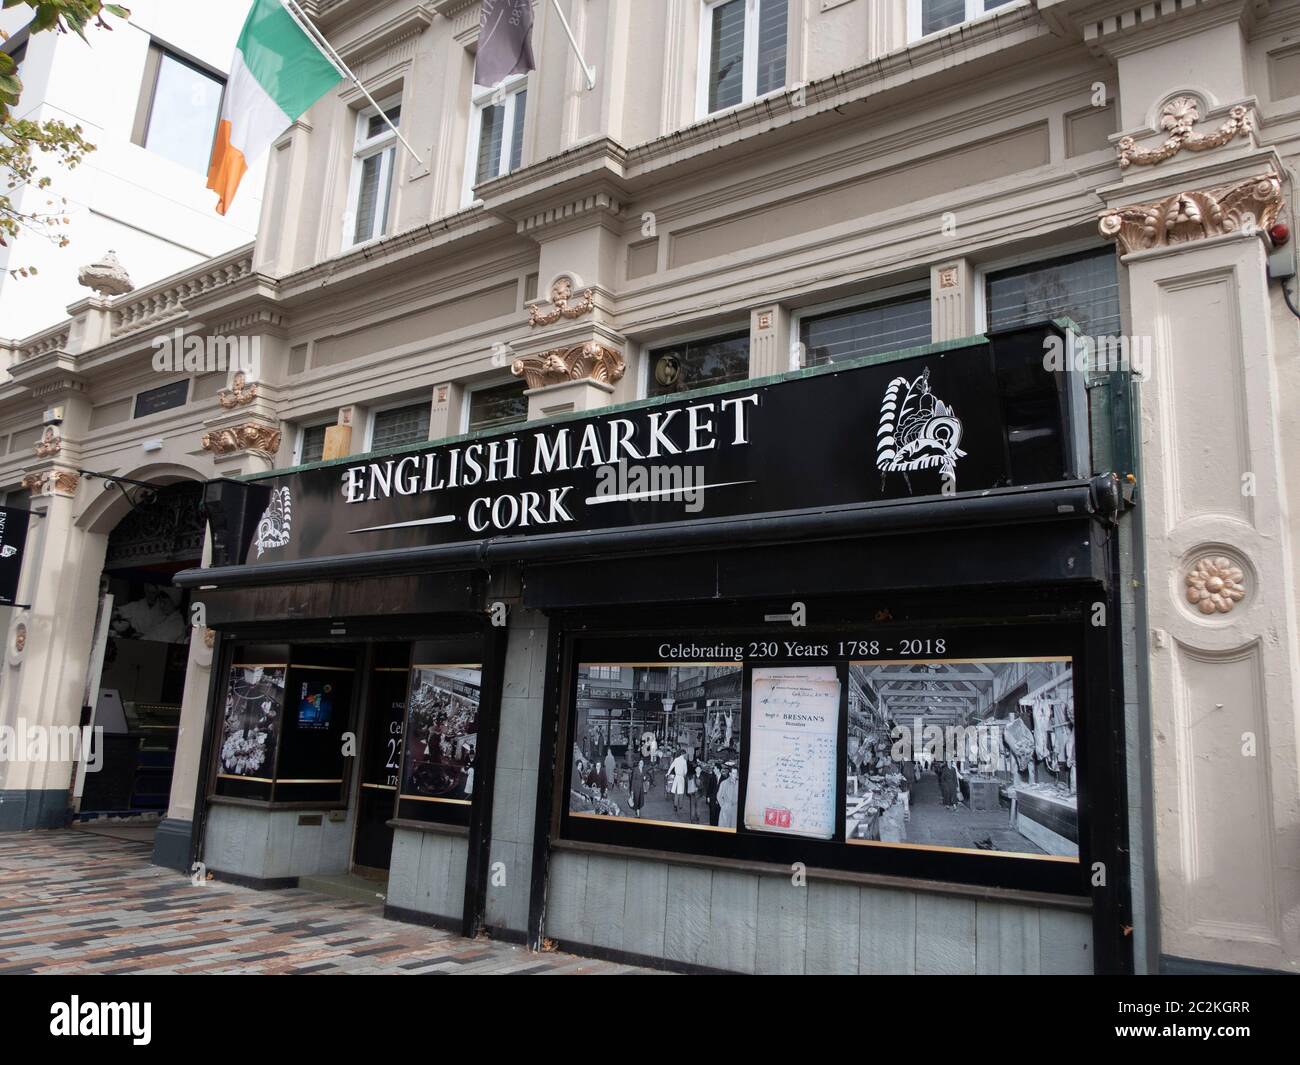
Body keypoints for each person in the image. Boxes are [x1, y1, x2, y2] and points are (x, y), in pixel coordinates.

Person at [668, 748, 688, 814]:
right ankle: (680, 805)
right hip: (681, 778)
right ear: (683, 754)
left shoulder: (676, 759)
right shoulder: (684, 761)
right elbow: (685, 771)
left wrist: (667, 773)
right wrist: (684, 775)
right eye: (685, 754)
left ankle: (675, 806)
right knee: (681, 792)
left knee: (676, 792)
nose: (685, 755)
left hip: (676, 777)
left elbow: (671, 766)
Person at [703, 762, 721, 826]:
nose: (713, 770)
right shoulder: (712, 778)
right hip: (712, 799)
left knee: (718, 814)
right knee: (712, 814)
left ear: (718, 770)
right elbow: (709, 788)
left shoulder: (723, 779)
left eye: (715, 769)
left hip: (719, 800)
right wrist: (707, 797)